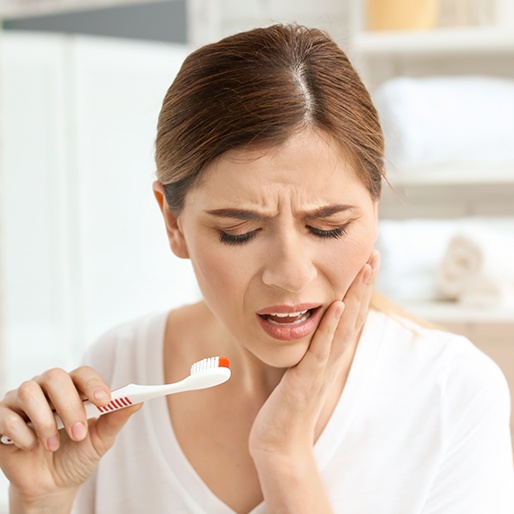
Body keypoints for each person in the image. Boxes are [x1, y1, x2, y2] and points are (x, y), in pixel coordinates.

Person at [0, 24, 513, 514]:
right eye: (239, 232)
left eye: (328, 227)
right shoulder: (121, 370)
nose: (289, 274)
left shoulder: (451, 394)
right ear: (173, 222)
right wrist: (42, 502)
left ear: (375, 206)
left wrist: (284, 457)